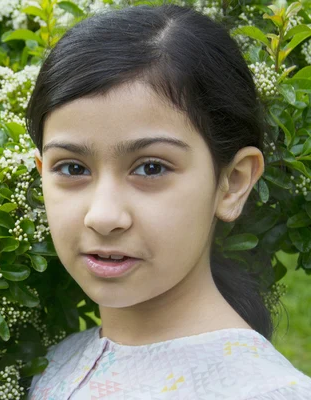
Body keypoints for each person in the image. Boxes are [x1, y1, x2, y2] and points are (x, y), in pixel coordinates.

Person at [24, 3, 311, 399]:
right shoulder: (55, 361)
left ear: (233, 183)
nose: (104, 216)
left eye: (151, 168)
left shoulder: (266, 391)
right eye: (73, 169)